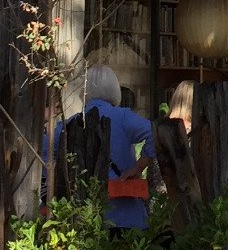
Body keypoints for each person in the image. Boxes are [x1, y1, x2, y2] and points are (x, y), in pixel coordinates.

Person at [49, 64, 155, 230]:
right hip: (126, 215)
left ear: (84, 90)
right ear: (114, 89)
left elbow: (47, 152)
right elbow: (157, 135)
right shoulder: (124, 117)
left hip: (83, 217)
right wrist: (135, 169)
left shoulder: (68, 124)